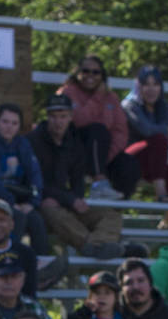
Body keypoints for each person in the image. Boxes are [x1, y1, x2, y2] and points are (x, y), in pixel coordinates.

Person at [32, 94, 123, 258]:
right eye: (53, 117)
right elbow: (36, 183)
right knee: (50, 208)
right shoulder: (34, 141)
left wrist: (75, 200)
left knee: (111, 214)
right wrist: (69, 199)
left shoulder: (74, 143)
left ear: (70, 117)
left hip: (67, 201)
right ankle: (93, 245)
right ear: (47, 117)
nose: (58, 122)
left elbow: (78, 180)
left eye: (63, 116)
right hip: (42, 203)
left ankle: (98, 245)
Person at [0, 103, 49, 254]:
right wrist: (12, 203)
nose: (9, 127)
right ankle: (9, 260)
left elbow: (35, 174)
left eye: (14, 123)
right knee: (16, 217)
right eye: (5, 122)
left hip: (16, 200)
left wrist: (32, 203)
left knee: (36, 219)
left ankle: (41, 266)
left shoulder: (22, 143)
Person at [55, 53, 136, 196]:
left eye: (96, 72)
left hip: (104, 155)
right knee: (98, 130)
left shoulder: (111, 98)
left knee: (128, 164)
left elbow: (121, 131)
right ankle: (99, 181)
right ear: (78, 72)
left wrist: (104, 156)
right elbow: (79, 120)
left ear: (102, 75)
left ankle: (117, 206)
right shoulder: (67, 92)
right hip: (75, 150)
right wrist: (97, 97)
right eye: (85, 71)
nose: (90, 75)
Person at [120, 64, 168, 205]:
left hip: (155, 161)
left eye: (155, 84)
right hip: (129, 160)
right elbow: (147, 131)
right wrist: (165, 131)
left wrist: (165, 133)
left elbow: (161, 133)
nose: (151, 89)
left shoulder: (163, 106)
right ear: (138, 86)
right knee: (159, 139)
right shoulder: (129, 105)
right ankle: (160, 193)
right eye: (146, 84)